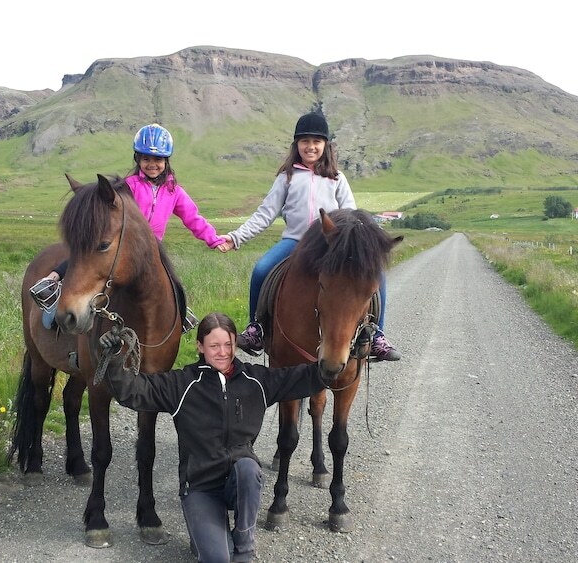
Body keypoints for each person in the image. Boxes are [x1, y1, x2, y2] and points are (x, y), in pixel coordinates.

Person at [98, 312, 325, 563]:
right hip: (200, 487)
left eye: (228, 344)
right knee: (217, 558)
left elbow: (306, 377)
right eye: (214, 346)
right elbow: (132, 392)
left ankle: (244, 547)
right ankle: (207, 534)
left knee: (248, 469)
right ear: (200, 347)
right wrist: (114, 357)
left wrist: (342, 355)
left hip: (238, 482)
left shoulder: (255, 380)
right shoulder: (182, 384)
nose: (222, 352)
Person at [220, 112, 400, 361]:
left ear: (326, 145)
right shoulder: (286, 177)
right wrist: (235, 238)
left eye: (317, 141)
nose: (310, 146)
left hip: (331, 247)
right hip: (295, 242)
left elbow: (351, 215)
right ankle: (256, 328)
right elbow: (265, 214)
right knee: (261, 269)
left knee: (377, 274)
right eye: (305, 141)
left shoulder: (337, 178)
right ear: (297, 145)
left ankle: (377, 334)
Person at [31, 123, 232, 329]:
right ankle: (57, 288)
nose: (152, 164)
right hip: (127, 248)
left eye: (158, 159)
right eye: (146, 159)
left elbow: (193, 218)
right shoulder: (128, 187)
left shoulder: (174, 192)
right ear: (137, 159)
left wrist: (214, 239)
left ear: (166, 161)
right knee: (89, 256)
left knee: (174, 285)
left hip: (153, 252)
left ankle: (178, 318)